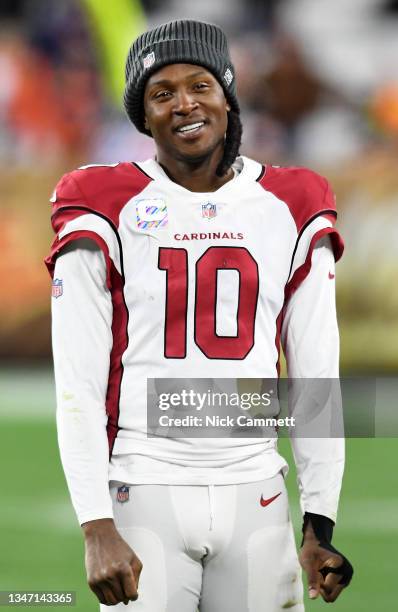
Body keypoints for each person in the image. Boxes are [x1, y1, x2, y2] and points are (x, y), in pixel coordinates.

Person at [46, 19, 353, 611]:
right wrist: (95, 524)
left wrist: (321, 522)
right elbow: (77, 381)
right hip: (146, 485)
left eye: (200, 85)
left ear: (228, 95)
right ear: (143, 115)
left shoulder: (291, 202)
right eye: (161, 93)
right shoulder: (104, 202)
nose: (184, 103)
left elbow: (318, 370)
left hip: (256, 491)